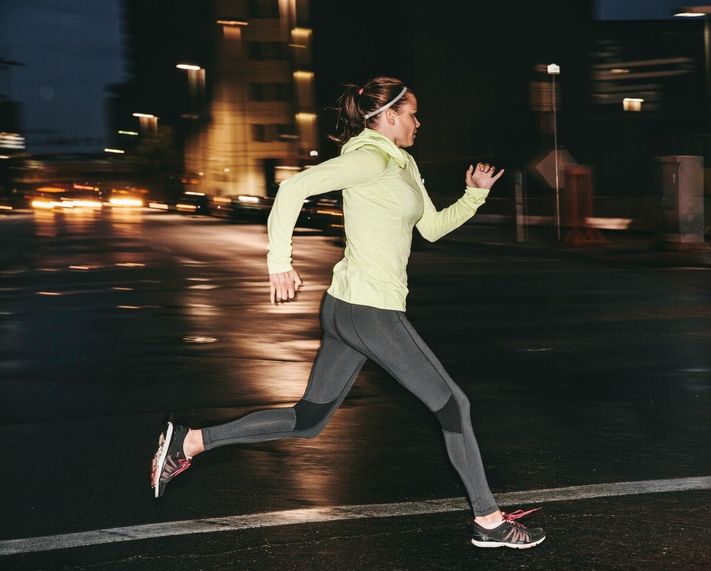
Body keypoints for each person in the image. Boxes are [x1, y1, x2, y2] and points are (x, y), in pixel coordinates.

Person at [151, 76, 545, 549]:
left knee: (308, 420)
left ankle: (190, 441)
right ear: (390, 116)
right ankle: (488, 520)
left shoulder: (402, 163)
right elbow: (293, 188)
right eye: (413, 114)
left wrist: (473, 194)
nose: (419, 122)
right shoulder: (369, 158)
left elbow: (432, 228)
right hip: (369, 309)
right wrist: (279, 262)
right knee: (453, 405)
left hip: (349, 310)